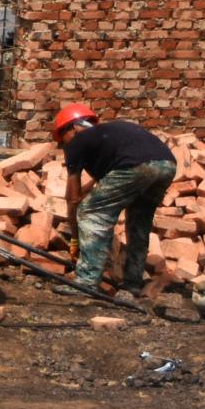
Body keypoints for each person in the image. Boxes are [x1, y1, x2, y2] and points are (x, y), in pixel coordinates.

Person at [53, 102, 177, 296]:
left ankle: (86, 282)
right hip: (167, 165)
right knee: (139, 222)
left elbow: (74, 199)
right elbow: (108, 176)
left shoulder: (77, 141)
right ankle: (133, 283)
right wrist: (89, 190)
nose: (64, 144)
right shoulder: (110, 134)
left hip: (135, 167)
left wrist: (76, 239)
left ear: (73, 127)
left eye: (62, 138)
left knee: (91, 212)